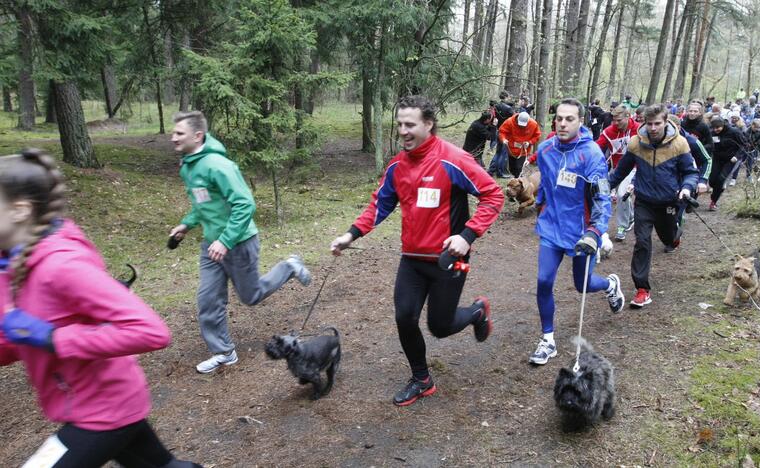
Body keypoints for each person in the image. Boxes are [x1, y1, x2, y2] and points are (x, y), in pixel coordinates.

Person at [0, 150, 200, 467]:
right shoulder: (10, 269)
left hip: (105, 408)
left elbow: (151, 331)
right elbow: (15, 335)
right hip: (90, 402)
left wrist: (52, 338)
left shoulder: (61, 266)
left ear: (19, 211)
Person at [329, 95, 504, 406]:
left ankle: (477, 311)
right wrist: (350, 234)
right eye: (400, 125)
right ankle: (421, 378)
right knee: (405, 317)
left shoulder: (453, 159)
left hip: (449, 259)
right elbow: (379, 205)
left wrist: (466, 236)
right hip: (412, 259)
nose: (403, 131)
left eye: (410, 125)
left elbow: (493, 195)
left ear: (428, 124)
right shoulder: (398, 166)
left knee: (440, 326)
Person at [168, 111, 311, 374]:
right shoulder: (189, 165)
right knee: (208, 299)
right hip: (211, 246)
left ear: (197, 136)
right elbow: (203, 203)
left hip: (239, 243)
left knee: (251, 295)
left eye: (179, 133)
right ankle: (224, 352)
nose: (173, 137)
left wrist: (225, 240)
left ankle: (289, 266)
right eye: (174, 132)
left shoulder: (217, 165)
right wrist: (187, 224)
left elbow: (245, 204)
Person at [528, 98, 625, 365]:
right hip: (551, 228)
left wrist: (595, 231)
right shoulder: (545, 149)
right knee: (544, 281)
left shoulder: (591, 153)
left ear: (580, 121)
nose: (562, 123)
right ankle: (547, 340)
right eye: (559, 118)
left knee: (582, 284)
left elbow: (602, 197)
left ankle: (610, 284)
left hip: (581, 232)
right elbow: (546, 185)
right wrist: (539, 207)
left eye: (569, 119)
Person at [608, 105, 698, 308]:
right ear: (644, 123)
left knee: (668, 237)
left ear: (666, 121)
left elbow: (691, 172)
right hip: (644, 201)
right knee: (642, 241)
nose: (653, 128)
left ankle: (675, 239)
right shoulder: (636, 143)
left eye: (657, 123)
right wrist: (603, 189)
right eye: (649, 124)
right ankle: (642, 289)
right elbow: (620, 171)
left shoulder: (680, 143)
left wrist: (686, 188)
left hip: (669, 201)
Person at [595, 105, 639, 241]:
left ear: (628, 116)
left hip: (634, 167)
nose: (616, 123)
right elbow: (597, 147)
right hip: (617, 169)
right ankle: (631, 218)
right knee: (601, 191)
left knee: (622, 194)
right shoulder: (609, 131)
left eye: (619, 120)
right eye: (614, 120)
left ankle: (622, 226)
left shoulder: (638, 129)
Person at [707, 117, 745, 210]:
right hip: (717, 158)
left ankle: (713, 201)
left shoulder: (734, 132)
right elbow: (709, 144)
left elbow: (744, 145)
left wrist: (736, 156)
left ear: (723, 125)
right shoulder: (712, 133)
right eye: (714, 128)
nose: (716, 130)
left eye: (718, 127)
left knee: (721, 179)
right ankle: (718, 189)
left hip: (730, 160)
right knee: (712, 180)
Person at [499, 111, 541, 178]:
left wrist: (529, 142)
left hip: (523, 151)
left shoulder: (533, 124)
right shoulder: (509, 122)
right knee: (512, 168)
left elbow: (537, 135)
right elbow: (502, 132)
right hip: (511, 150)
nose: (521, 126)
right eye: (520, 124)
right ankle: (516, 178)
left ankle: (519, 182)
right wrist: (503, 139)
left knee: (519, 168)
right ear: (517, 119)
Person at [487, 91, 515, 178]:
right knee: (503, 153)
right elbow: (514, 119)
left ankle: (491, 170)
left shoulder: (496, 106)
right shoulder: (509, 109)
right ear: (506, 97)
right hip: (506, 133)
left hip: (498, 130)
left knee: (498, 152)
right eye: (508, 97)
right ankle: (500, 173)